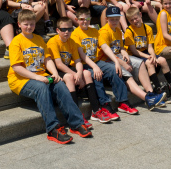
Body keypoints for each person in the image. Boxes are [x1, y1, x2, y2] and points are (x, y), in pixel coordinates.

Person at [8, 9, 91, 144]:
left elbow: (47, 60)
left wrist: (55, 73)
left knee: (59, 84)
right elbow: (17, 67)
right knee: (41, 87)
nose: (29, 27)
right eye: (26, 24)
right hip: (20, 80)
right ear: (19, 24)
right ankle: (53, 128)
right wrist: (37, 77)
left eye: (32, 24)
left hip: (42, 76)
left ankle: (76, 123)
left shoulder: (39, 39)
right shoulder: (16, 42)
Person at [98, 5, 166, 109]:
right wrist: (123, 63)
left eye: (117, 18)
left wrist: (124, 52)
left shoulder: (117, 30)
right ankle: (147, 98)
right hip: (107, 60)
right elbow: (107, 53)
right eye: (112, 19)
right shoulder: (104, 32)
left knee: (140, 62)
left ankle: (151, 93)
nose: (115, 21)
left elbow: (120, 47)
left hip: (118, 56)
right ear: (107, 19)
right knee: (127, 74)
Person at [47, 17, 111, 125]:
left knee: (86, 73)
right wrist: (75, 75)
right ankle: (76, 114)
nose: (66, 32)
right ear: (57, 30)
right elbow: (59, 64)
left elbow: (78, 62)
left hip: (67, 68)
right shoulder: (53, 42)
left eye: (69, 29)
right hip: (55, 70)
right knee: (69, 77)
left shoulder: (72, 42)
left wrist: (80, 75)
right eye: (63, 29)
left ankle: (96, 110)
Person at [71, 8, 131, 116]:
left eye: (87, 19)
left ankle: (123, 102)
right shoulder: (75, 34)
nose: (85, 21)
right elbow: (82, 55)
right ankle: (105, 104)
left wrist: (116, 61)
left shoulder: (94, 31)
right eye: (82, 19)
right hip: (84, 64)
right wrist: (94, 67)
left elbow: (105, 47)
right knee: (96, 75)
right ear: (76, 19)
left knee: (114, 69)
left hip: (96, 61)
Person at [124, 6, 171, 101]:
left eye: (136, 18)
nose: (134, 21)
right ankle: (158, 89)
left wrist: (153, 56)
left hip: (145, 52)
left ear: (140, 15)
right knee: (150, 62)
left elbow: (150, 47)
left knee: (162, 60)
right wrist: (149, 57)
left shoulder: (147, 28)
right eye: (131, 20)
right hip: (134, 55)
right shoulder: (129, 31)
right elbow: (134, 51)